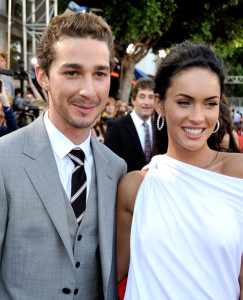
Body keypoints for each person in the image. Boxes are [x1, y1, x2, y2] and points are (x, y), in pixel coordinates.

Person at [0, 11, 127, 300]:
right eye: (72, 72)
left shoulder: (115, 167)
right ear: (42, 76)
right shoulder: (3, 160)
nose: (88, 90)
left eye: (100, 74)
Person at [116, 41, 243, 300]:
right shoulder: (134, 186)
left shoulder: (238, 175)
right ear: (160, 105)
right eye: (184, 102)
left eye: (209, 103)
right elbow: (110, 275)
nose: (198, 117)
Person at [105, 78, 155, 172]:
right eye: (142, 97)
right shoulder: (116, 127)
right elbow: (108, 166)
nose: (146, 102)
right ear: (133, 100)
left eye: (151, 97)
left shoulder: (160, 129)